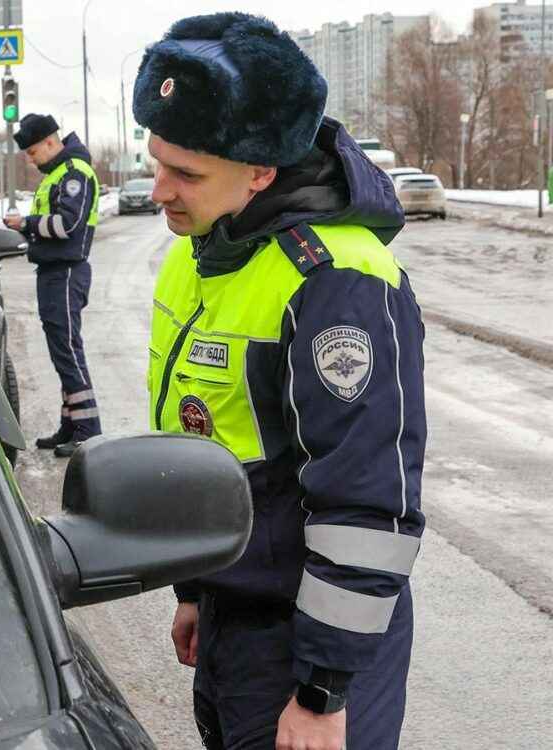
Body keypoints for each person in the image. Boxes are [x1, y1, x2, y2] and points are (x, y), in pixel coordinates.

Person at [132, 13, 426, 750]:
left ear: (261, 170)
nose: (160, 189)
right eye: (157, 161)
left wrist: (323, 691)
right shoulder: (203, 249)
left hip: (311, 639)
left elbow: (366, 501)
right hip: (235, 616)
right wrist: (196, 588)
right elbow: (205, 444)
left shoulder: (337, 281)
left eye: (186, 174)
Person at [4, 114, 102, 457]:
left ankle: (89, 430)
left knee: (68, 350)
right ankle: (71, 423)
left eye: (33, 152)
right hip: (53, 272)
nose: (31, 161)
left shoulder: (74, 172)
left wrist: (26, 223)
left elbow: (66, 225)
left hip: (66, 272)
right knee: (62, 351)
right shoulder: (58, 174)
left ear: (50, 141)